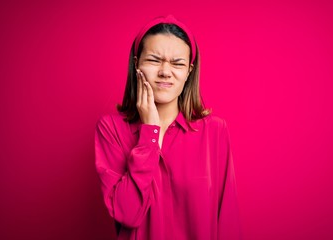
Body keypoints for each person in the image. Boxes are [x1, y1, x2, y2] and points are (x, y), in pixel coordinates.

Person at [94, 15, 240, 240]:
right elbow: (127, 214)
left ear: (189, 71)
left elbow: (228, 218)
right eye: (154, 60)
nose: (165, 72)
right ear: (136, 64)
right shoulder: (110, 129)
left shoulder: (215, 131)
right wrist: (149, 133)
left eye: (177, 63)